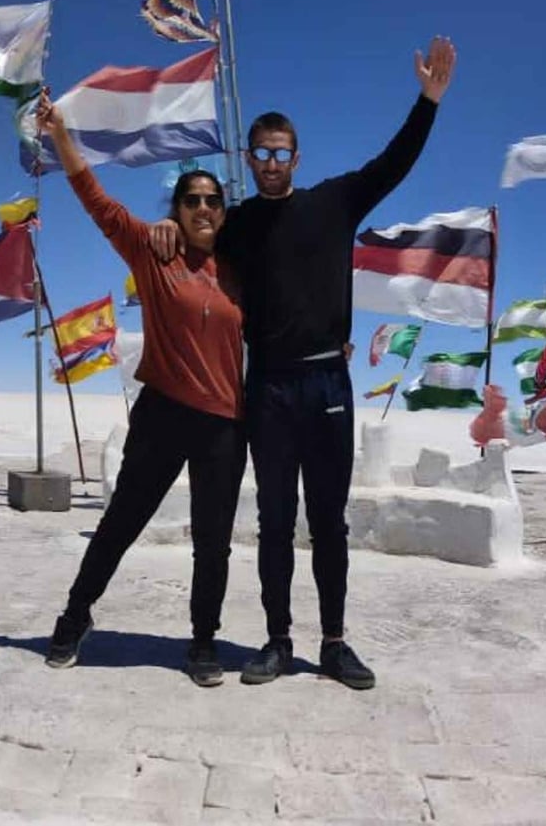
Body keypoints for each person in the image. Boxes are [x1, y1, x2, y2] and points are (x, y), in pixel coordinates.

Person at [151, 36, 457, 690]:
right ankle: (277, 640)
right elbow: (192, 236)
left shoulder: (333, 202)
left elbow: (393, 163)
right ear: (249, 158)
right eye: (261, 154)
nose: (271, 163)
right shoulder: (236, 224)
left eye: (280, 153)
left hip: (327, 384)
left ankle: (335, 643)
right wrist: (168, 227)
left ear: (296, 157)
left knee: (328, 521)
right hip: (268, 385)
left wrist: (428, 102)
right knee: (274, 522)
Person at [37, 90, 246, 687]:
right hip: (163, 415)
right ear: (176, 209)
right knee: (122, 522)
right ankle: (74, 616)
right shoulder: (155, 256)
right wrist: (60, 134)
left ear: (223, 212)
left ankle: (202, 642)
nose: (203, 207)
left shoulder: (241, 269)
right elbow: (96, 201)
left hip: (224, 424)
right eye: (191, 200)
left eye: (212, 200)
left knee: (213, 542)